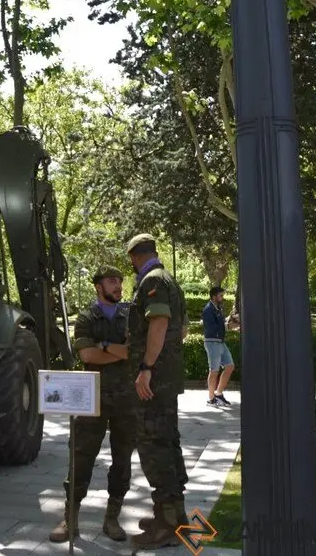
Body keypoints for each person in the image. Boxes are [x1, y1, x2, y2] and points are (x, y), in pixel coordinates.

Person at [49, 266, 135, 544]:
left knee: (122, 459)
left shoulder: (130, 315)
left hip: (125, 397)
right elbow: (87, 354)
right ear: (99, 286)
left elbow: (133, 353)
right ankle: (70, 519)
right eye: (112, 281)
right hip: (91, 396)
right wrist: (119, 352)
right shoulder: (86, 317)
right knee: (81, 456)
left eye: (120, 281)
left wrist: (106, 345)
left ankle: (112, 518)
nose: (118, 285)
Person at [125, 233, 189, 549]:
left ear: (135, 256)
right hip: (167, 379)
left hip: (155, 382)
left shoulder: (151, 279)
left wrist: (147, 368)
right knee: (167, 441)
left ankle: (166, 526)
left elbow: (159, 323)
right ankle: (176, 516)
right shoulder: (169, 280)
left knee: (154, 446)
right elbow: (183, 328)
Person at [202, 286, 234, 406]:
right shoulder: (208, 310)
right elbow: (213, 328)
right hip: (212, 342)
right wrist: (228, 326)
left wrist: (230, 322)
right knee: (214, 371)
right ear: (214, 297)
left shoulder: (218, 308)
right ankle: (211, 399)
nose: (222, 297)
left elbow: (221, 324)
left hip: (220, 342)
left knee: (230, 366)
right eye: (220, 295)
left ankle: (219, 394)